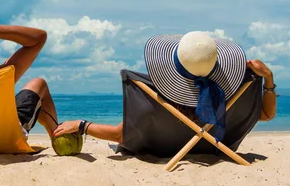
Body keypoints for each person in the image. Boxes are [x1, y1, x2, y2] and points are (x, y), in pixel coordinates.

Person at [53, 32, 277, 145]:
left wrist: (82, 125)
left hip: (163, 151)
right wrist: (268, 79)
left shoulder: (154, 94)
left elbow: (121, 135)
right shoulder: (234, 95)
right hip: (216, 148)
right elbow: (267, 115)